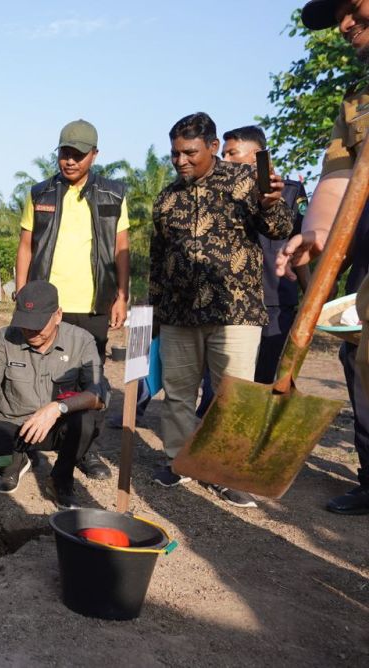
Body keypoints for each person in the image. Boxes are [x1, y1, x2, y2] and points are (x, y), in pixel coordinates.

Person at [150, 112, 292, 508]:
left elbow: (280, 228)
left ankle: (227, 472)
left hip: (235, 312)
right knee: (178, 394)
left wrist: (272, 203)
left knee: (234, 396)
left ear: (212, 147)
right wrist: (154, 314)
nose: (181, 161)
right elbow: (157, 261)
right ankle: (178, 460)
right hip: (179, 316)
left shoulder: (245, 182)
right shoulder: (167, 199)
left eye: (190, 153)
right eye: (175, 153)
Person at [276, 0, 369, 515]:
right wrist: (314, 233)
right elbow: (337, 178)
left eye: (353, 6)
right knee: (361, 359)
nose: (345, 24)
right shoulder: (356, 102)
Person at [14, 119, 130, 481]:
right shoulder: (40, 193)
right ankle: (31, 444)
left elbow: (122, 248)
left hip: (94, 303)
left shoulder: (113, 194)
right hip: (47, 306)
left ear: (94, 155)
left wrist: (122, 295)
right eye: (65, 153)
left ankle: (84, 450)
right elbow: (25, 246)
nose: (70, 161)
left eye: (79, 155)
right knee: (38, 374)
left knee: (89, 381)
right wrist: (21, 294)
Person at [0, 281, 107, 508]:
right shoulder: (3, 339)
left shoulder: (81, 340)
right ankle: (15, 461)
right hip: (13, 424)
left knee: (86, 420)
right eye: (25, 324)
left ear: (58, 315)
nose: (30, 332)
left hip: (55, 425)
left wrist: (57, 408)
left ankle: (60, 479)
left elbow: (97, 393)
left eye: (38, 325)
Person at [221, 126, 310, 384]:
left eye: (232, 153)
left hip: (276, 303)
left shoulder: (291, 193)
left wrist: (312, 297)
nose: (225, 160)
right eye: (224, 154)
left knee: (264, 378)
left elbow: (301, 252)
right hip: (233, 302)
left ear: (256, 155)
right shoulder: (222, 195)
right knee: (224, 380)